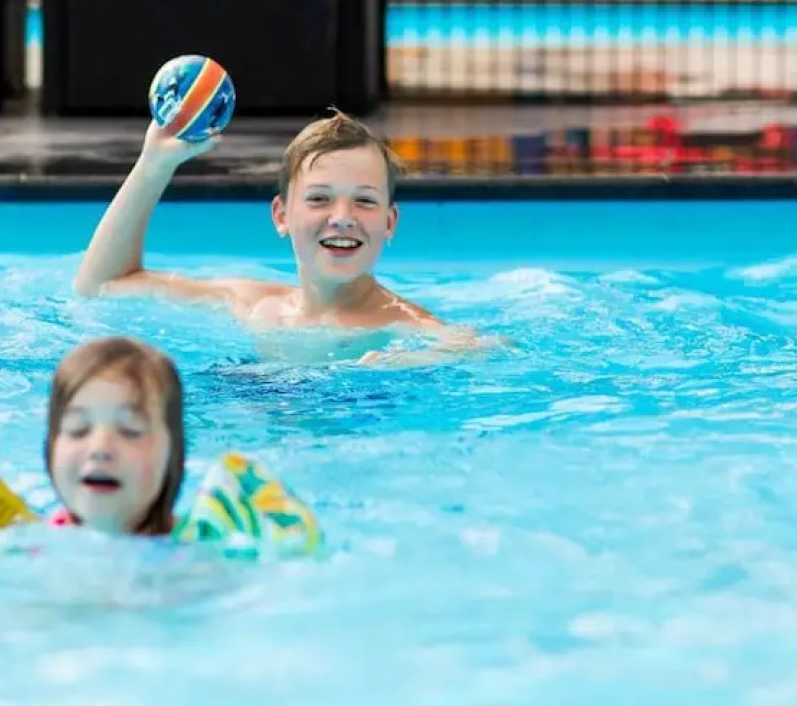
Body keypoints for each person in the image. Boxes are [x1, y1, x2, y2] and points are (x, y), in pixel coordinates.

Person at [74, 111, 476, 363]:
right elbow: (101, 285)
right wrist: (154, 164)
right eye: (319, 199)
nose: (342, 218)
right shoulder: (250, 304)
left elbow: (484, 350)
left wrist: (412, 360)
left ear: (389, 223)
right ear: (282, 215)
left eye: (364, 202)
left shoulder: (408, 329)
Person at [45, 335, 184, 535]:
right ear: (50, 448)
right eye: (78, 430)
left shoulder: (204, 550)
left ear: (173, 454)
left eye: (130, 431)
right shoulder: (28, 545)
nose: (100, 448)